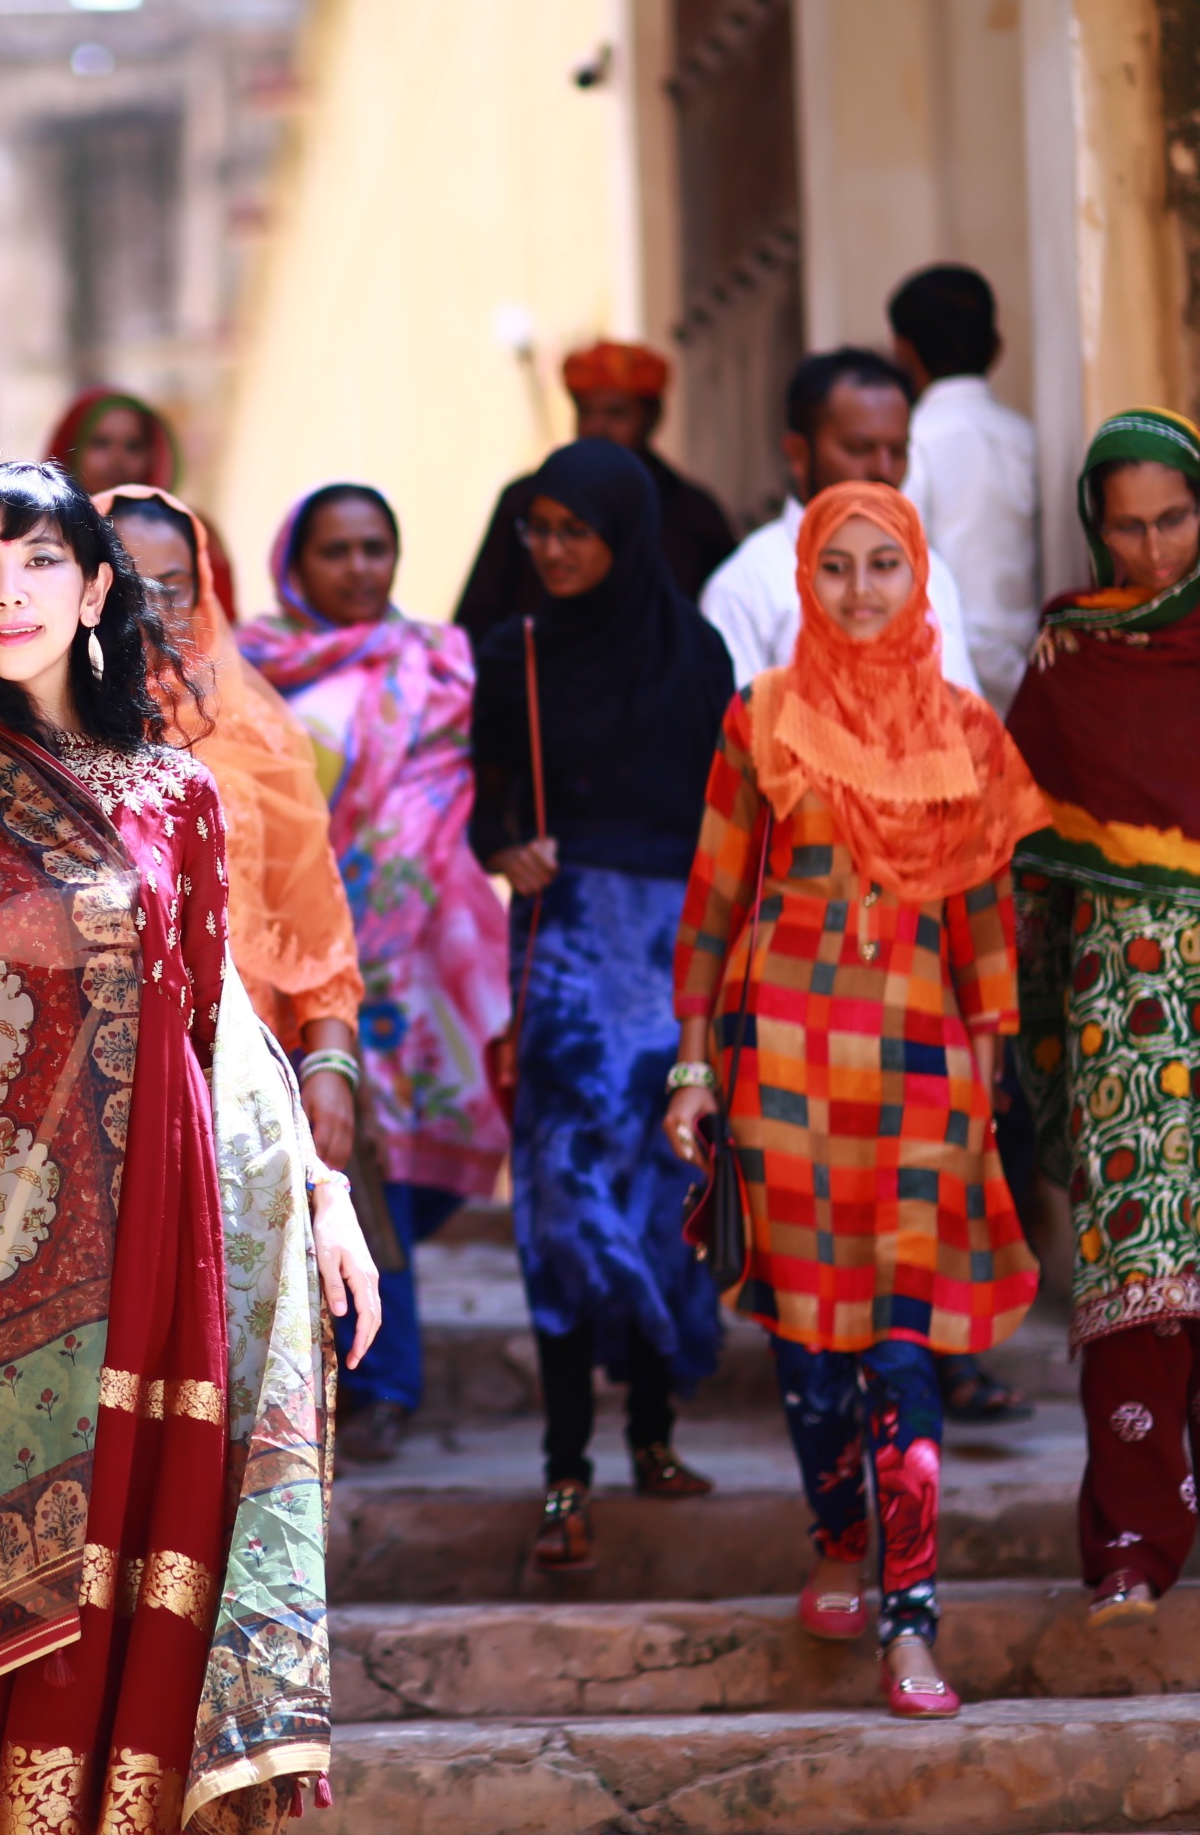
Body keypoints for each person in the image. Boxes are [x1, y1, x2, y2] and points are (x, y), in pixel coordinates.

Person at [0, 461, 382, 1834]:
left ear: (96, 590)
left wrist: (321, 1193)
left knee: (141, 1578)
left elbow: (218, 1037)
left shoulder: (176, 797)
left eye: (39, 561)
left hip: (159, 1246)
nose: (9, 591)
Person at [664, 482, 1046, 1716]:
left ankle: (909, 1621)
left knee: (900, 1344)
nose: (862, 589)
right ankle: (837, 1536)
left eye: (885, 563)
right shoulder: (761, 717)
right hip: (776, 1061)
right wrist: (689, 1068)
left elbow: (984, 927)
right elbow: (714, 899)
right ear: (804, 577)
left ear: (918, 570)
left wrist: (987, 1098)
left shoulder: (968, 735)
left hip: (922, 1074)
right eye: (838, 566)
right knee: (801, 1340)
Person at [470, 438, 734, 1572]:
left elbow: (730, 820)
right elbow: (486, 804)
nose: (553, 549)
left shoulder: (698, 655)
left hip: (675, 966)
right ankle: (564, 1468)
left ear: (623, 536)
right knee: (564, 1211)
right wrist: (507, 848)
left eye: (575, 529)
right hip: (569, 963)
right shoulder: (512, 652)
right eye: (538, 528)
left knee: (667, 1198)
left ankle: (654, 1436)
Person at [240, 484, 513, 1461]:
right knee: (345, 1167)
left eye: (374, 549)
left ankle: (371, 1369)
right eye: (335, 552)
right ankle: (378, 1378)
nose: (358, 569)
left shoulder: (439, 661)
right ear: (294, 564)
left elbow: (466, 790)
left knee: (397, 1170)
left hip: (431, 960)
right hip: (303, 955)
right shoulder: (251, 671)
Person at [1006, 408, 1200, 1629]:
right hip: (1121, 1007)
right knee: (1140, 1275)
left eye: (1172, 519)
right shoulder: (1068, 660)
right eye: (1124, 526)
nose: (1149, 551)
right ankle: (1131, 1542)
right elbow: (1023, 851)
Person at [98, 484, 363, 1171]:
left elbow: (315, 925)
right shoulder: (44, 732)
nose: (153, 610)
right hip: (92, 1073)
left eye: (174, 588)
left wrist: (331, 1066)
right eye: (131, 583)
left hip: (236, 1070)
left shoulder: (258, 738)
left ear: (204, 595)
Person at [699, 349, 984, 695]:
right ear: (798, 454)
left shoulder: (931, 572)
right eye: (859, 448)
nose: (882, 469)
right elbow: (740, 737)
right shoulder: (747, 586)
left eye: (897, 451)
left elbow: (967, 720)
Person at [455, 341, 738, 639]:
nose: (597, 427)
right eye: (585, 412)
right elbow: (475, 626)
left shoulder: (692, 513)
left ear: (654, 417)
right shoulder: (526, 500)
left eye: (616, 414)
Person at [893, 265, 1042, 714]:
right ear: (997, 348)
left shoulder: (910, 443)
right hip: (1032, 668)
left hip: (950, 677)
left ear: (903, 352)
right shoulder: (1029, 438)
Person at [51, 389, 238, 619]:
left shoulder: (189, 530)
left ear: (153, 454)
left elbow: (222, 624)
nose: (117, 458)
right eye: (101, 443)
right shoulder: (47, 534)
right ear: (70, 448)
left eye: (133, 446)